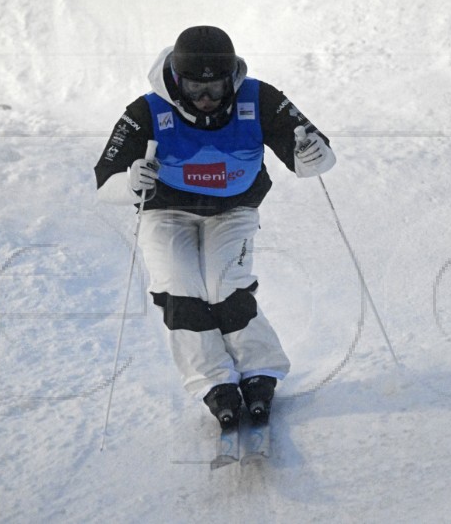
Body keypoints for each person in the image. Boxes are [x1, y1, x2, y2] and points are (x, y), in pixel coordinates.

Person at [94, 26, 335, 429]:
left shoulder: (259, 99)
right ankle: (213, 381)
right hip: (167, 212)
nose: (206, 99)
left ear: (232, 79)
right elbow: (105, 184)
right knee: (181, 287)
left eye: (216, 88)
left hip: (233, 208)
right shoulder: (147, 110)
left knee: (225, 284)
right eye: (194, 87)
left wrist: (313, 156)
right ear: (176, 78)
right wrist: (132, 182)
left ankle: (261, 369)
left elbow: (316, 158)